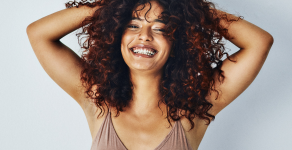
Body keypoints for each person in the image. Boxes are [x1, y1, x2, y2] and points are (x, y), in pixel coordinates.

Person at [26, 0, 273, 149]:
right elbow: (38, 33)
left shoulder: (196, 107)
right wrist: (116, 4)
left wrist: (187, 7)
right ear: (116, 35)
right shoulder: (95, 97)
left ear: (177, 41)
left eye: (160, 28)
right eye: (133, 25)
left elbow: (259, 42)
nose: (144, 35)